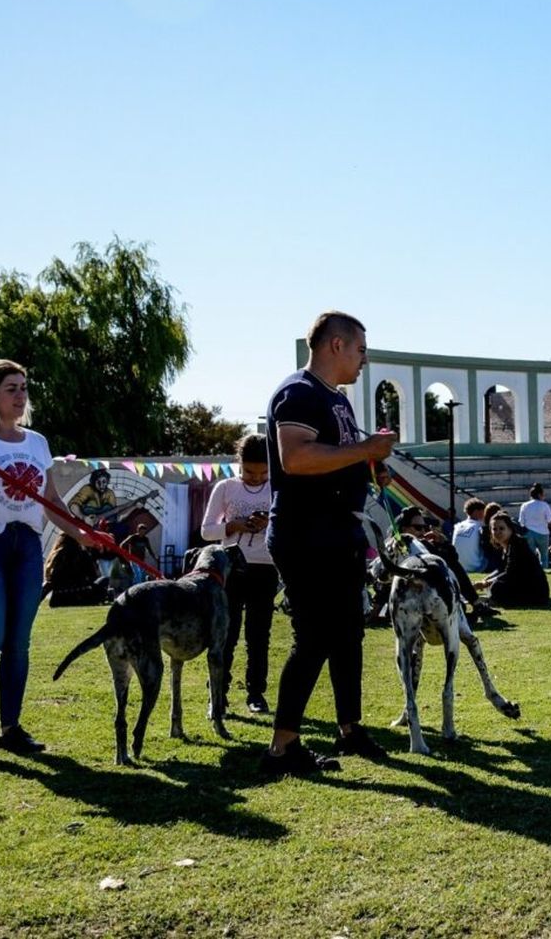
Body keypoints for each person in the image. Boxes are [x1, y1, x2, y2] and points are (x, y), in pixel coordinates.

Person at [0, 358, 108, 755]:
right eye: (11, 388)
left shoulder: (36, 442)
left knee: (18, 642)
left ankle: (9, 728)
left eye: (24, 387)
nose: (20, 395)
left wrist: (82, 533)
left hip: (26, 548)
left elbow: (49, 501)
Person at [260, 311, 397, 776]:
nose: (364, 359)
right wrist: (365, 451)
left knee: (348, 634)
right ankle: (282, 748)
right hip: (305, 534)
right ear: (336, 345)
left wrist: (371, 464)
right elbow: (295, 458)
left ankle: (350, 727)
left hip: (340, 532)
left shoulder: (336, 399)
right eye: (360, 349)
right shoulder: (297, 392)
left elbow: (338, 458)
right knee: (313, 637)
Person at [199, 433, 279, 714]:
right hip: (230, 569)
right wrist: (233, 525)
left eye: (263, 472)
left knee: (259, 636)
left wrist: (268, 522)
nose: (256, 478)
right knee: (225, 634)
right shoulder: (225, 487)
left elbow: (291, 526)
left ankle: (256, 693)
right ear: (239, 464)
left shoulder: (278, 489)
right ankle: (217, 692)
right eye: (249, 472)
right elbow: (207, 531)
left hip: (266, 567)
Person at [477, 511, 550, 607]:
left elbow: (510, 572)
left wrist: (486, 583)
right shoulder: (506, 546)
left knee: (496, 587)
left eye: (501, 528)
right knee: (495, 585)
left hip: (535, 592)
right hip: (522, 585)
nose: (497, 532)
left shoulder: (517, 545)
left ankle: (493, 601)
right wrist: (485, 580)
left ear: (510, 529)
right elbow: (501, 569)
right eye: (494, 529)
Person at [517, 483, 551, 565]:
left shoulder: (524, 505)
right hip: (543, 533)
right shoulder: (544, 505)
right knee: (544, 557)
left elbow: (521, 522)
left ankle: (531, 572)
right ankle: (544, 571)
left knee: (530, 556)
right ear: (539, 495)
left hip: (529, 533)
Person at [450, 497, 488, 573]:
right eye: (483, 511)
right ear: (476, 511)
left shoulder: (457, 526)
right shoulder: (479, 526)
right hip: (477, 566)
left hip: (459, 566)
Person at [118, 522, 159, 587]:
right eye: (141, 531)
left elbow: (149, 549)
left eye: (144, 531)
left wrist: (154, 558)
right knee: (138, 575)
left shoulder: (145, 539)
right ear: (138, 530)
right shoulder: (133, 537)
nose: (142, 533)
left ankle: (137, 587)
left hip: (141, 560)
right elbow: (122, 545)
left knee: (142, 576)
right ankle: (136, 589)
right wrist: (126, 555)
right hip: (134, 559)